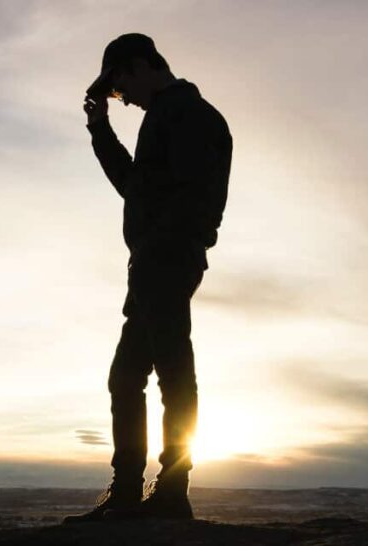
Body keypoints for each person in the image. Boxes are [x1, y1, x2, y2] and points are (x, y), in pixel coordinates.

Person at [63, 33, 233, 523]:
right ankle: (131, 492)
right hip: (155, 263)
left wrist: (161, 248)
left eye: (119, 89)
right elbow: (136, 189)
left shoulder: (190, 115)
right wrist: (100, 128)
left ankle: (171, 490)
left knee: (171, 371)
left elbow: (189, 200)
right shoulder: (167, 116)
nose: (123, 99)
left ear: (139, 67)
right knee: (128, 377)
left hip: (168, 260)